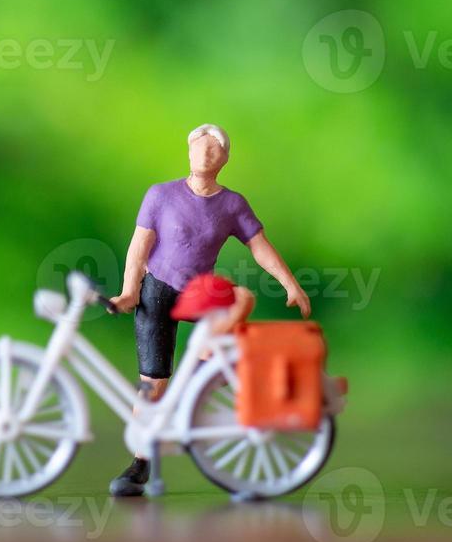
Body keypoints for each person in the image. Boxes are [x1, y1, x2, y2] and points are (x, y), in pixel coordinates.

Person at [105, 123, 311, 497]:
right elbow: (139, 248)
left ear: (224, 159)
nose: (204, 155)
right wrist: (129, 292)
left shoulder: (232, 204)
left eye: (213, 151)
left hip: (200, 293)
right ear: (188, 152)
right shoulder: (160, 195)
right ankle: (140, 462)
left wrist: (289, 283)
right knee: (153, 382)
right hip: (158, 290)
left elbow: (259, 245)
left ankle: (193, 398)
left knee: (226, 326)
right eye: (199, 148)